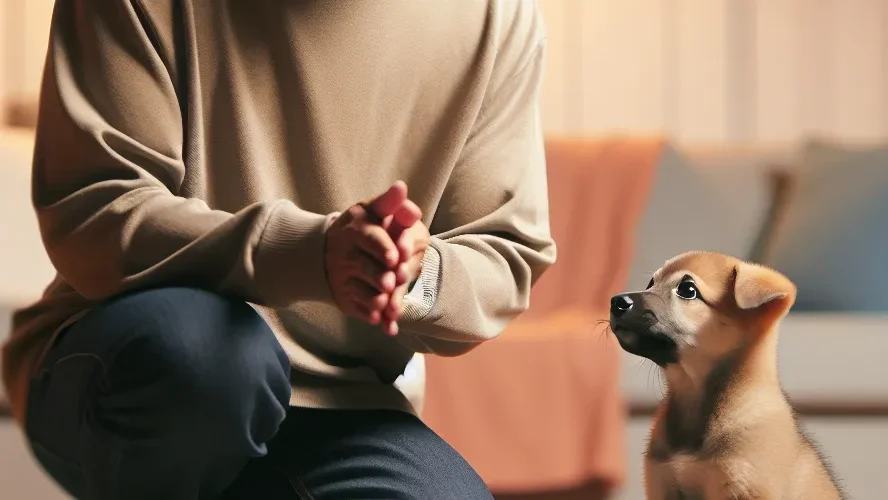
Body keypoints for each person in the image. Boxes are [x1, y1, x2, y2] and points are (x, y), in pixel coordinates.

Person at [1, 0, 556, 498]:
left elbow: (505, 254)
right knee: (210, 362)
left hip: (341, 404)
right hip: (138, 365)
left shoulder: (496, 17)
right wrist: (307, 255)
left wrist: (411, 273)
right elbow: (95, 210)